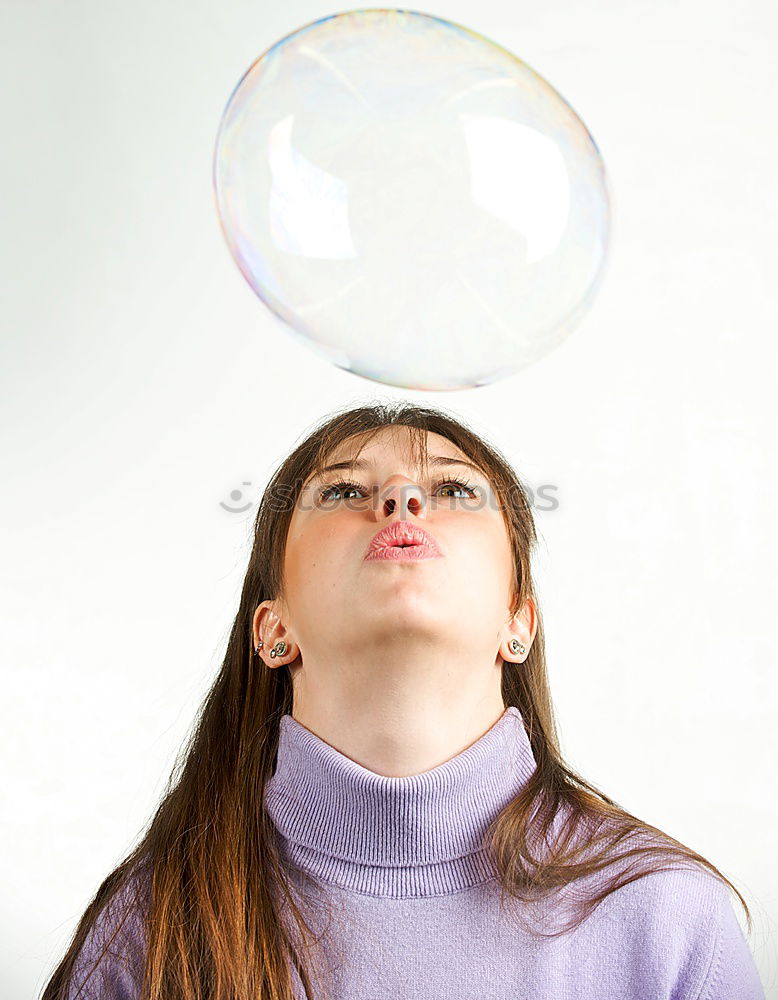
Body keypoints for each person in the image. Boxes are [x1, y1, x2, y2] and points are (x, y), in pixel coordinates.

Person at [42, 401, 765, 1000]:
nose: (401, 500)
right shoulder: (153, 925)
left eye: (453, 490)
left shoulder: (668, 918)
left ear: (519, 623)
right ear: (273, 628)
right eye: (344, 491)